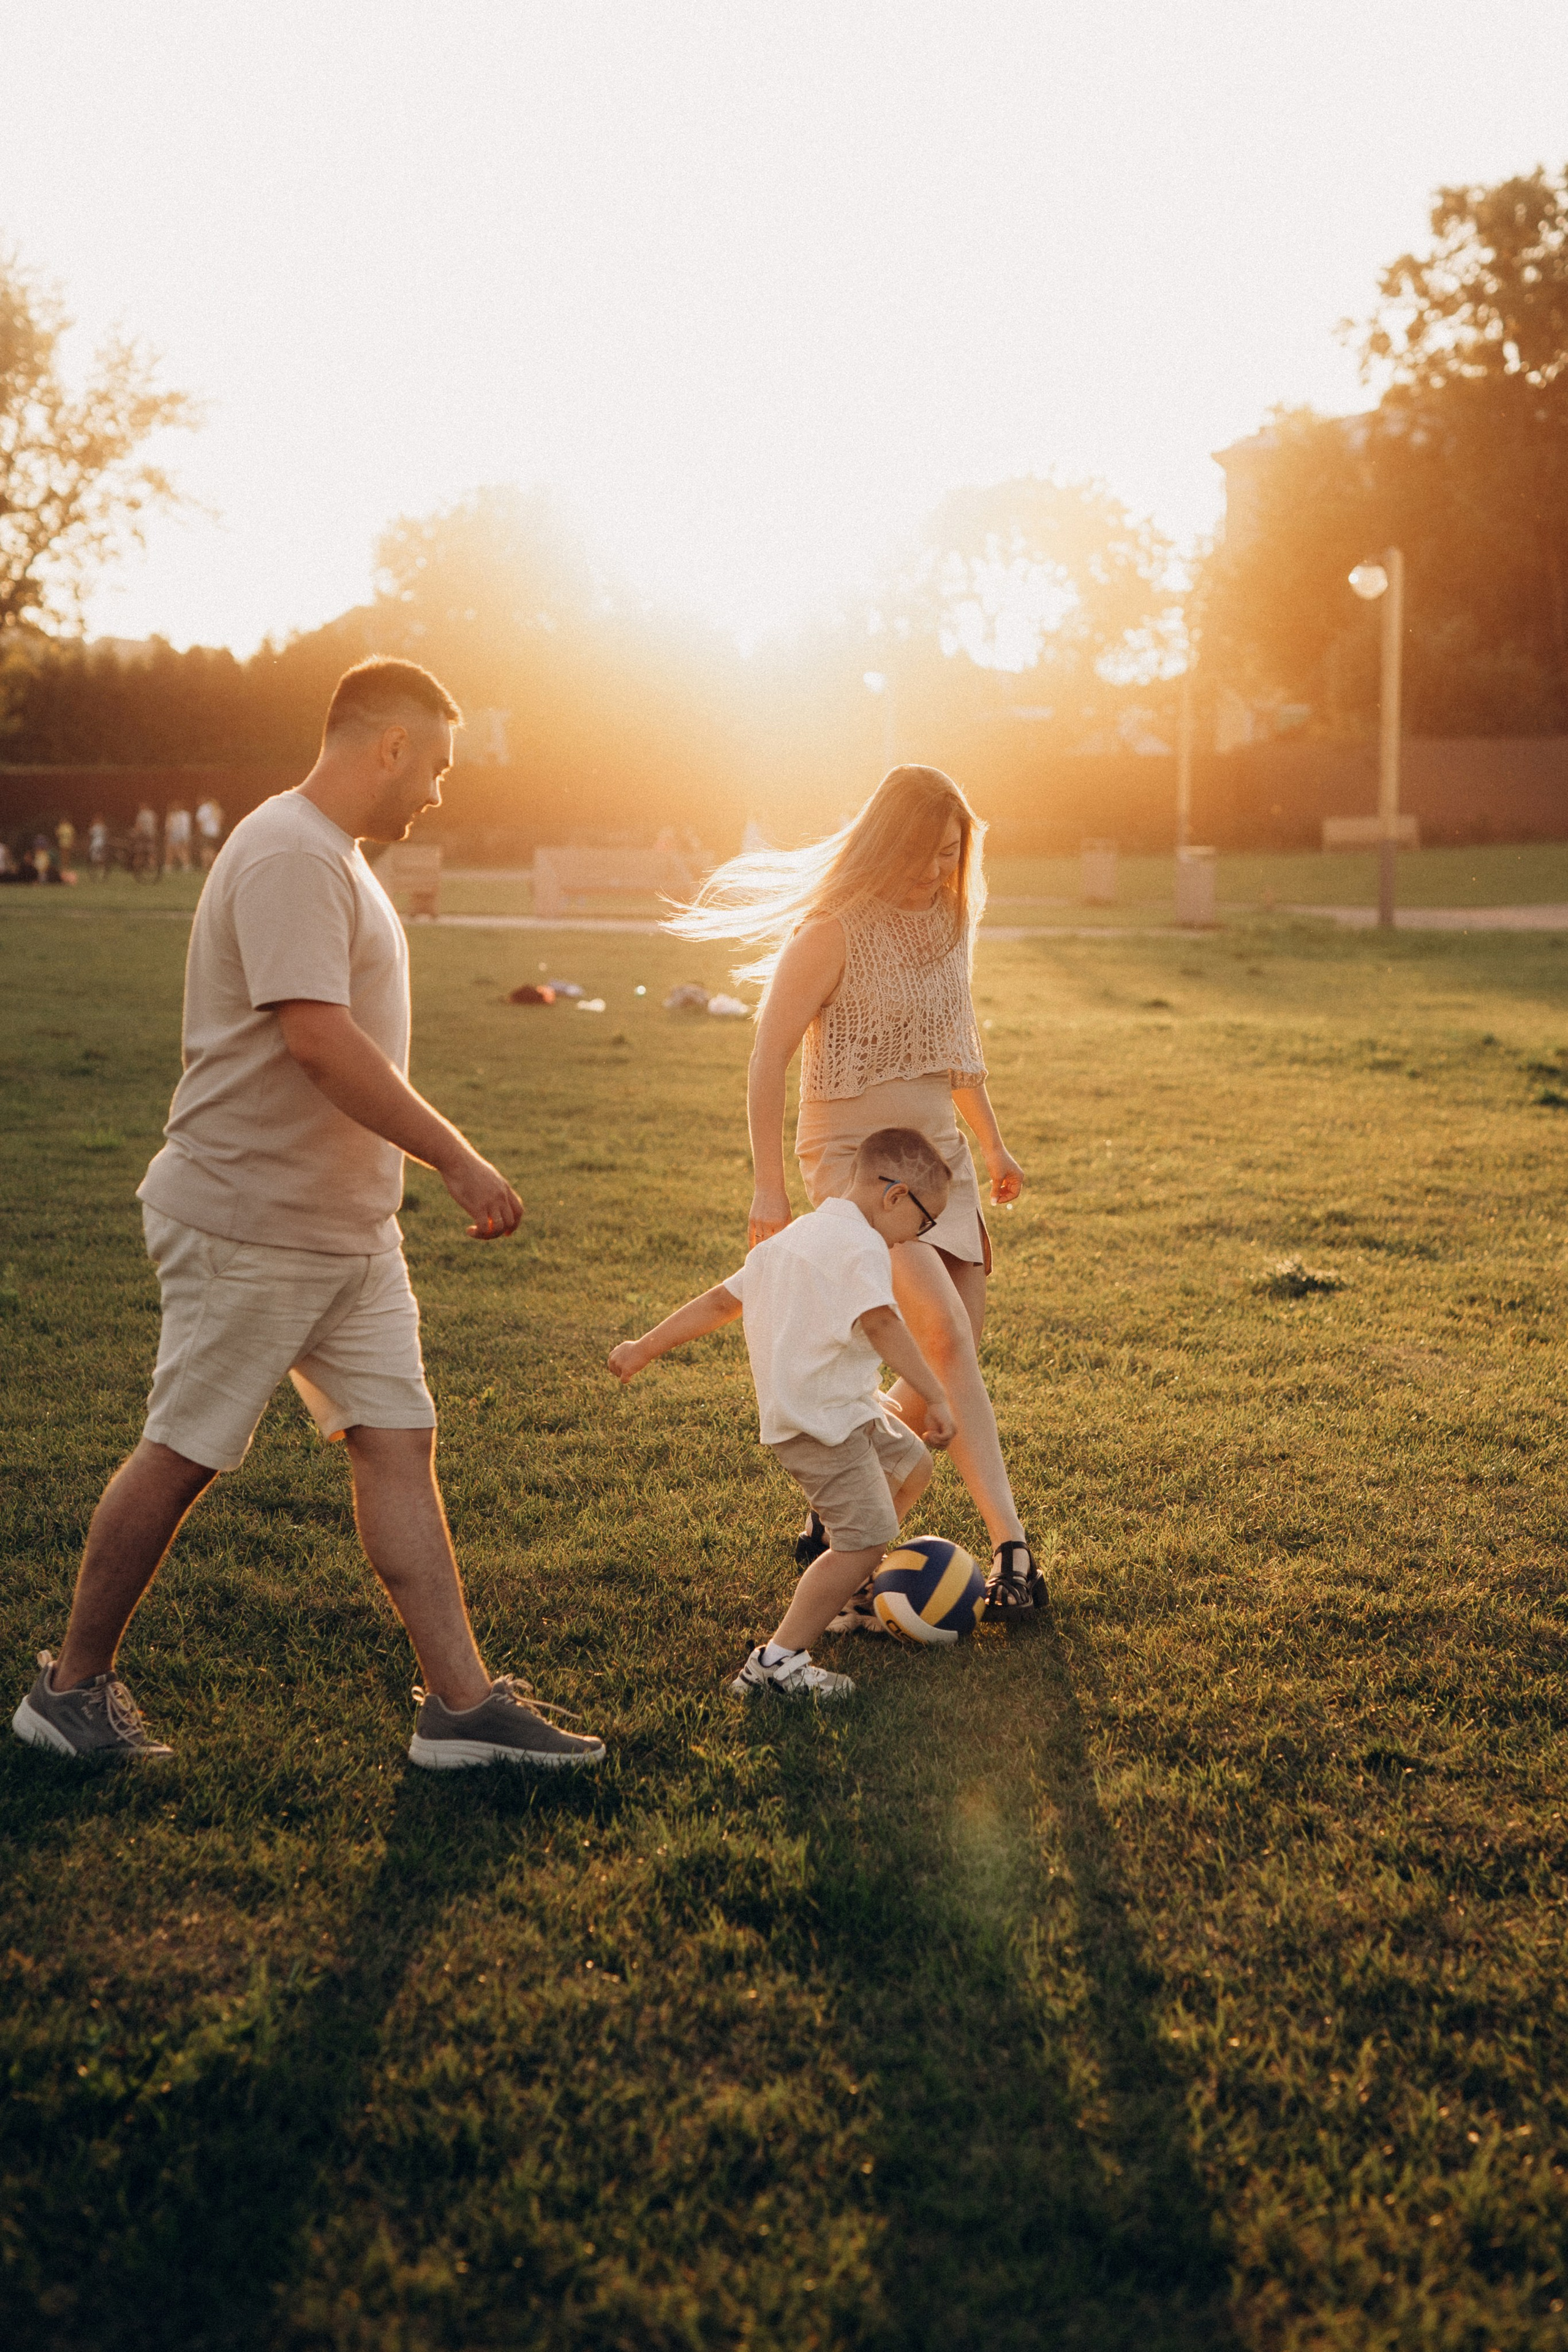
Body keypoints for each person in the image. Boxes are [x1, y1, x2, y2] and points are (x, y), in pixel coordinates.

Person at [12, 655, 603, 1773]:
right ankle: (69, 1690)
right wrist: (457, 1159)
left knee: (398, 1440)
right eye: (436, 765)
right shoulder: (289, 850)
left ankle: (460, 1708)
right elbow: (318, 1040)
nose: (438, 790)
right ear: (390, 745)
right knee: (183, 1451)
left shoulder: (334, 855)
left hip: (345, 1231)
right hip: (251, 1217)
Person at [669, 763, 1043, 1619]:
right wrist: (769, 1188)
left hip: (938, 1162)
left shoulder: (949, 921)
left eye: (950, 854)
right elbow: (767, 1057)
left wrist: (993, 1145)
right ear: (887, 844)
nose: (936, 871)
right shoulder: (830, 931)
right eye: (923, 853)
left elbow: (957, 1050)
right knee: (942, 1335)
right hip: (857, 1160)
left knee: (947, 1361)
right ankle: (1014, 1551)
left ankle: (844, 1519)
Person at [610, 1127, 957, 1697]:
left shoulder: (797, 1237)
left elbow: (720, 1302)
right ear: (895, 1195)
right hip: (822, 1427)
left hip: (841, 1410)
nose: (917, 1237)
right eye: (923, 1223)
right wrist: (935, 1395)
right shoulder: (864, 1245)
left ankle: (850, 1588)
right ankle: (776, 1662)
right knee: (865, 1540)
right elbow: (881, 1323)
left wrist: (644, 1347)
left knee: (914, 1465)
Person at [195, 796, 225, 871]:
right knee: (212, 849)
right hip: (216, 832)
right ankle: (214, 865)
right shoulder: (218, 809)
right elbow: (221, 821)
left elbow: (200, 821)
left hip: (206, 831)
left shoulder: (204, 808)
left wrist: (199, 831)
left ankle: (205, 865)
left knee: (205, 849)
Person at [163, 803, 194, 874]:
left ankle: (169, 866)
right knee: (182, 850)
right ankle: (186, 865)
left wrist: (167, 835)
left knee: (171, 850)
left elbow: (169, 827)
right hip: (184, 835)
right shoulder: (186, 815)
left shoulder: (172, 815)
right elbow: (187, 826)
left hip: (174, 834)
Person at [88, 815, 110, 879]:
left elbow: (90, 834)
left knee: (95, 859)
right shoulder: (103, 827)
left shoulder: (95, 827)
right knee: (101, 858)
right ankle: (101, 872)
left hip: (96, 843)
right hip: (101, 843)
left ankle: (97, 872)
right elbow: (106, 835)